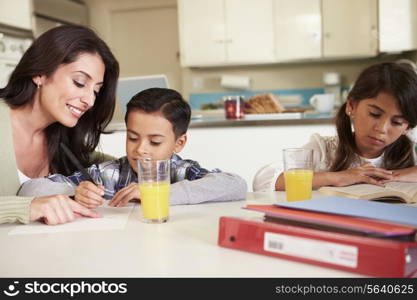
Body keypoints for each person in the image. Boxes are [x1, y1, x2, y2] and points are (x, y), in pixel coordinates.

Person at [19, 88, 247, 207]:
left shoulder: (181, 171)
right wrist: (73, 194)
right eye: (133, 138)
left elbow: (236, 185)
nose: (141, 150)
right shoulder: (108, 174)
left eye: (155, 142)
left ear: (179, 143)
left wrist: (157, 193)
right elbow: (29, 189)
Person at [0, 25, 119, 225]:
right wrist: (29, 207)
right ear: (40, 74)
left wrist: (149, 164)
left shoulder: (60, 135)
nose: (89, 101)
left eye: (96, 91)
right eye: (80, 82)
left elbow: (107, 163)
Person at [253, 62, 417, 192]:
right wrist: (337, 177)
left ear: (407, 127)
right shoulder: (325, 150)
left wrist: (396, 176)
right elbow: (264, 180)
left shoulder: (411, 154)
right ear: (351, 105)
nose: (381, 128)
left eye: (396, 122)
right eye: (374, 114)